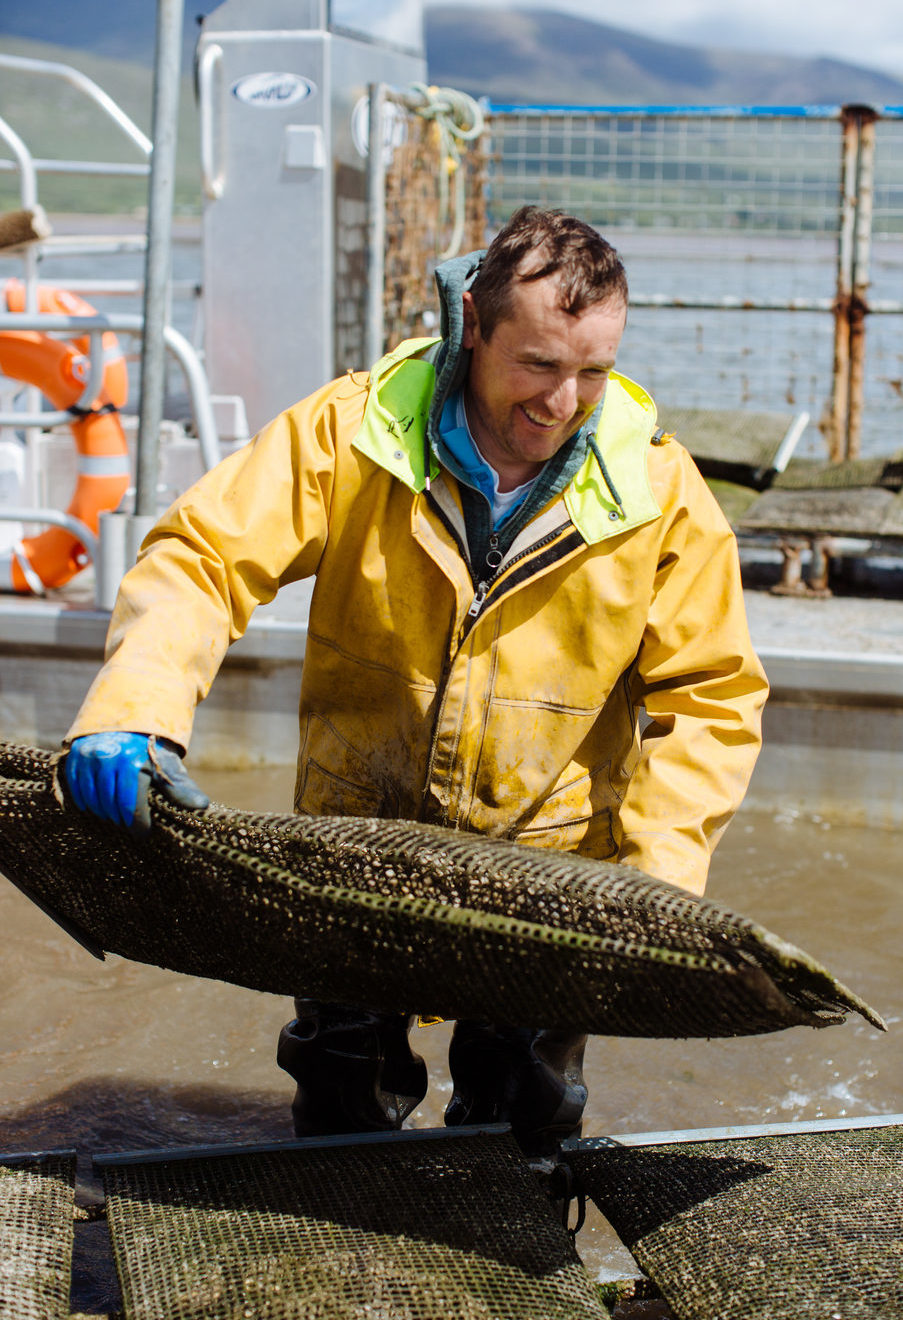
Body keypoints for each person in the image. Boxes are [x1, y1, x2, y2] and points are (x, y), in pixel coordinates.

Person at [61, 206, 768, 1157]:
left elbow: (711, 696)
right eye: (537, 365)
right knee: (336, 1113)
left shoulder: (658, 490)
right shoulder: (352, 431)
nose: (562, 402)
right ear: (472, 324)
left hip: (547, 876)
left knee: (523, 1128)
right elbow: (203, 557)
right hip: (352, 851)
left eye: (591, 372)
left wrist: (658, 887)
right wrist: (133, 711)